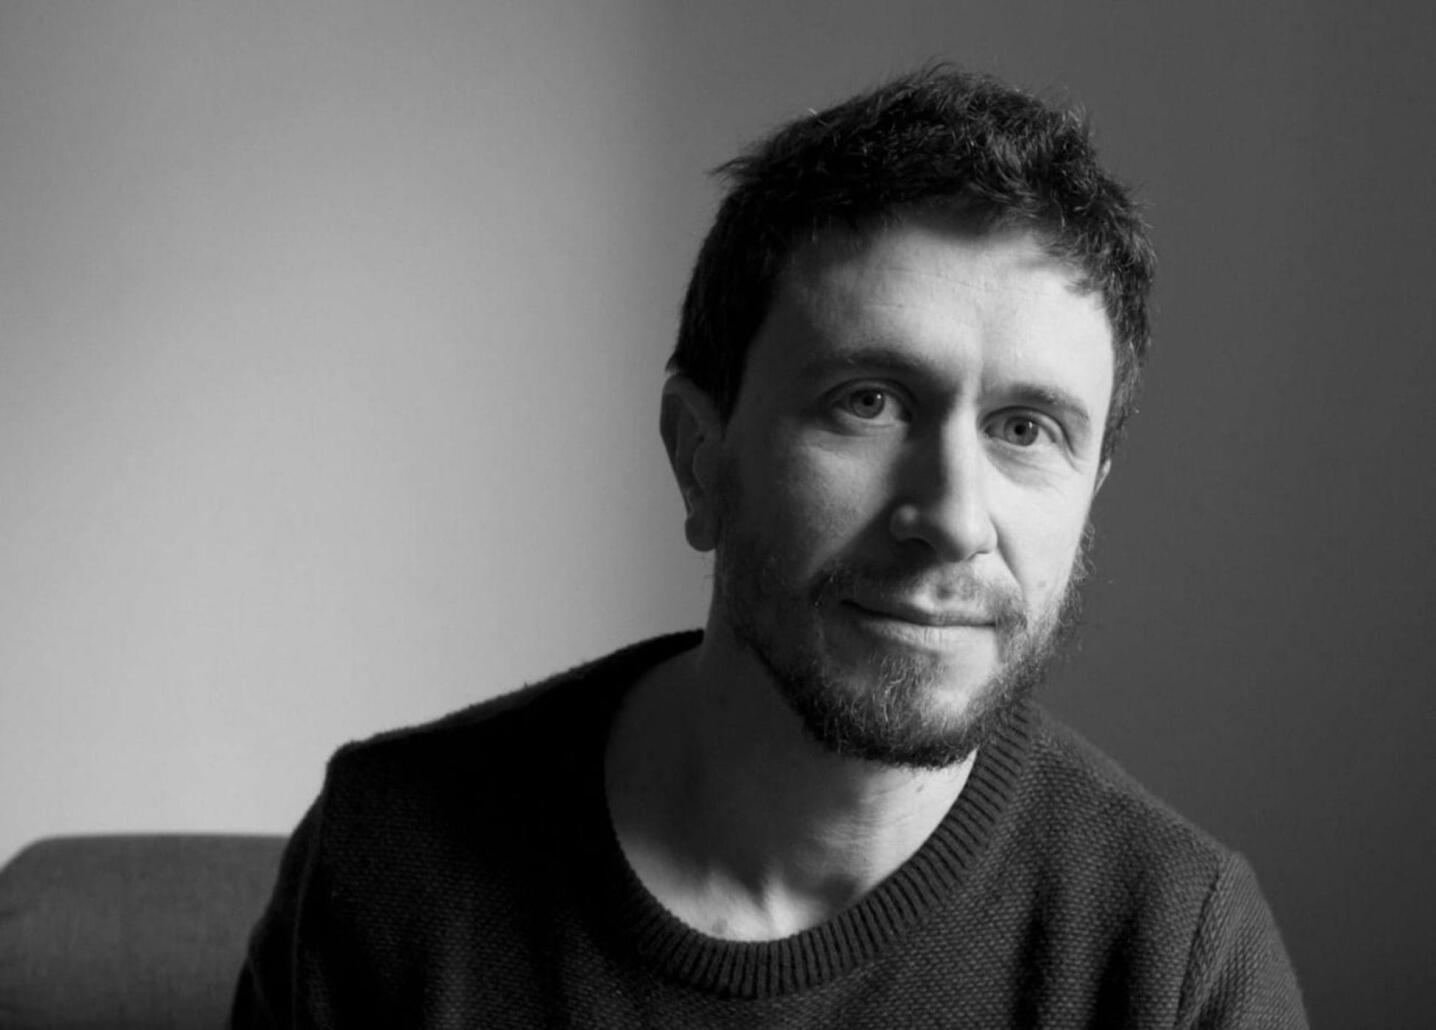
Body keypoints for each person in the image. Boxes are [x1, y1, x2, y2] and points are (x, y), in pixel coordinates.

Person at [233, 66, 1307, 1028]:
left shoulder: (1174, 956)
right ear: (700, 458)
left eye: (1026, 430)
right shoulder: (387, 867)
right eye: (868, 401)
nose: (952, 516)